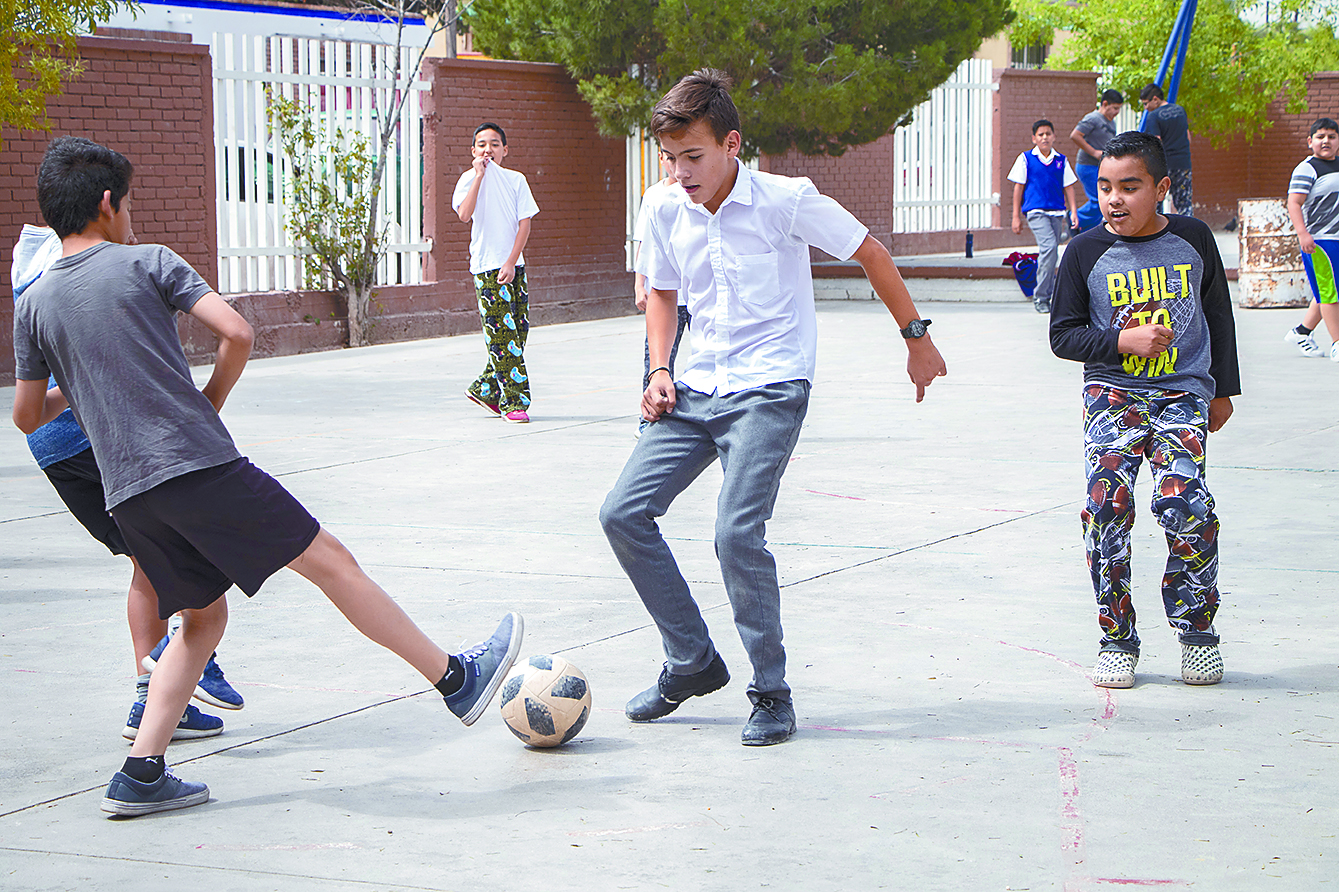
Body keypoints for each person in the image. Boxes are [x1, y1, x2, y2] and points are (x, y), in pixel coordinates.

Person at [12, 137, 523, 817]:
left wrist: (85, 382)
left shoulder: (35, 303)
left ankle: (141, 772)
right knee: (331, 561)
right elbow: (238, 334)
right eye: (127, 202)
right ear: (107, 203)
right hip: (195, 463)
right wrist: (208, 403)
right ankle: (455, 678)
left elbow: (27, 415)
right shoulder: (148, 263)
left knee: (200, 619)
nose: (130, 216)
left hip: (127, 493)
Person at [600, 69, 947, 747]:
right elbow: (663, 294)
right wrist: (660, 369)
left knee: (735, 533)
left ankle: (770, 691)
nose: (680, 172)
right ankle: (691, 660)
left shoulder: (785, 200)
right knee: (622, 513)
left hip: (771, 387)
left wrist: (915, 339)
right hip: (696, 385)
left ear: (731, 143)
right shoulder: (662, 206)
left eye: (692, 156)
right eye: (669, 158)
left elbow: (869, 250)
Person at [11, 225, 240, 740]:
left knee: (148, 560)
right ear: (105, 202)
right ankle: (175, 663)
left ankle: (157, 696)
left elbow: (32, 404)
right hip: (102, 435)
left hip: (56, 445)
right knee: (174, 554)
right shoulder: (84, 261)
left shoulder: (34, 263)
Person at [1050, 132, 1240, 689]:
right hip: (1113, 394)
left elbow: (1217, 315)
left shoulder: (1194, 238)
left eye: (1129, 187)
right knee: (1106, 501)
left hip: (1183, 392)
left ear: (1160, 188)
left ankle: (1198, 634)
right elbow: (1063, 336)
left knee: (1185, 504)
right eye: (1105, 187)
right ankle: (1117, 637)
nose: (1114, 199)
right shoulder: (1084, 251)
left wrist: (1223, 390)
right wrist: (1120, 343)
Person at [453, 122, 539, 423]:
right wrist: (478, 176)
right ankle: (514, 402)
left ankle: (485, 388)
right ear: (473, 151)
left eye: (494, 144)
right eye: (481, 144)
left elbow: (524, 223)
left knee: (518, 331)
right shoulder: (467, 179)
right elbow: (464, 215)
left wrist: (511, 262)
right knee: (503, 337)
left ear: (505, 150)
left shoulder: (516, 180)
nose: (487, 149)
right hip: (486, 267)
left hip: (513, 266)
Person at [632, 160, 690, 434]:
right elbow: (645, 240)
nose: (676, 166)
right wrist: (639, 283)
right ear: (661, 159)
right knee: (658, 360)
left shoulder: (702, 192)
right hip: (667, 294)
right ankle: (650, 421)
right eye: (670, 158)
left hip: (697, 295)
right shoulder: (654, 196)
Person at [1282, 117, 1339, 361]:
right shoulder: (1307, 169)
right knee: (1330, 292)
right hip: (1320, 241)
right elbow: (1294, 203)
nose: (1326, 141)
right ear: (1310, 141)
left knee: (1328, 289)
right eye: (1320, 136)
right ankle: (1338, 343)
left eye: (1332, 136)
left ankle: (1302, 332)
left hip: (1337, 238)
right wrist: (1303, 234)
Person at [1009, 119, 1081, 313]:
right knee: (1050, 248)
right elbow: (1018, 188)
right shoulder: (1025, 159)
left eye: (1048, 134)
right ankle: (1041, 297)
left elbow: (1069, 187)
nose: (1044, 138)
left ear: (1054, 136)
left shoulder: (1061, 160)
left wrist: (1073, 212)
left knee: (1050, 252)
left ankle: (1048, 294)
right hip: (1035, 211)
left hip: (1057, 213)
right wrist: (1015, 216)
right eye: (1040, 134)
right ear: (1034, 138)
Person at [1071, 90, 1124, 232]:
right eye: (1115, 108)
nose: (1117, 112)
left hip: (1101, 167)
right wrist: (1094, 152)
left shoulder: (1110, 122)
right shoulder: (1093, 118)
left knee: (1103, 202)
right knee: (1099, 200)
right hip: (1087, 166)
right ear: (1105, 104)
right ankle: (1074, 218)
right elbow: (1075, 135)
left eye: (1118, 108)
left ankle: (1084, 230)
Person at [1139, 83, 1193, 217]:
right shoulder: (1180, 110)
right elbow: (1188, 137)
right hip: (1183, 163)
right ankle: (1188, 234)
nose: (1146, 108)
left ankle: (1157, 234)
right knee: (1184, 202)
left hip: (1164, 164)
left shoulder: (1154, 116)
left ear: (1155, 99)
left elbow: (1156, 142)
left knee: (1156, 200)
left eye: (1146, 104)